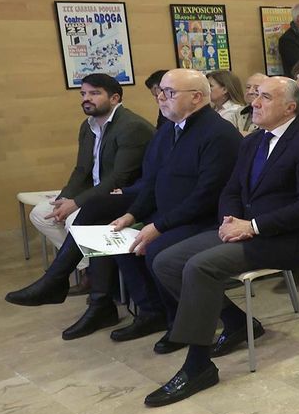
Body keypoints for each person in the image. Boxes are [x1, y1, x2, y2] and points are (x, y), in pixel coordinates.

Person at [145, 77, 299, 407]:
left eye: (265, 97)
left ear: (290, 107)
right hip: (244, 230)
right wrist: (230, 221)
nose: (255, 103)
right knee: (166, 261)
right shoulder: (252, 143)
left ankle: (198, 365)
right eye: (256, 96)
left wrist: (255, 225)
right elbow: (230, 190)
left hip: (286, 239)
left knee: (201, 266)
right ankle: (235, 322)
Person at [83, 69, 239, 344]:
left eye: (169, 93)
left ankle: (185, 321)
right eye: (160, 93)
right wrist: (131, 216)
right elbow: (151, 182)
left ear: (197, 97)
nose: (160, 98)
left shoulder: (219, 134)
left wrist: (158, 227)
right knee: (121, 241)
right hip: (174, 216)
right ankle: (153, 312)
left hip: (208, 219)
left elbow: (206, 196)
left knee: (157, 250)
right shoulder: (168, 131)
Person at [5, 74, 156, 306]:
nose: (87, 99)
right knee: (41, 214)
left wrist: (76, 203)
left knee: (74, 219)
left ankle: (73, 280)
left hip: (121, 195)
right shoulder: (87, 126)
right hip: (94, 193)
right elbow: (81, 170)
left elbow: (119, 177)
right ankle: (86, 268)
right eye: (83, 94)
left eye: (94, 93)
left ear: (115, 98)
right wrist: (65, 197)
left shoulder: (131, 126)